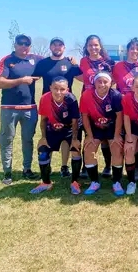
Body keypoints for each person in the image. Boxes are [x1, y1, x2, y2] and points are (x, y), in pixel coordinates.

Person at [33, 37, 83, 177]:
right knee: (49, 137)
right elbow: (32, 78)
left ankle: (64, 167)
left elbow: (85, 79)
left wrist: (77, 64)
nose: (57, 47)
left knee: (68, 138)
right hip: (49, 106)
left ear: (64, 47)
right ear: (50, 47)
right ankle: (46, 168)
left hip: (68, 107)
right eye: (54, 45)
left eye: (60, 45)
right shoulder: (43, 63)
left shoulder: (70, 63)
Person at [0, 34, 42, 184]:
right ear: (15, 44)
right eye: (21, 43)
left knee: (28, 140)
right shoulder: (7, 60)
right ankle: (7, 172)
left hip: (30, 108)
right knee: (7, 139)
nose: (24, 46)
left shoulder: (35, 59)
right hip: (9, 108)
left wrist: (70, 60)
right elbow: (0, 83)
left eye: (27, 44)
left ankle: (27, 169)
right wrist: (21, 81)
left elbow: (53, 62)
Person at [30, 77, 81, 194]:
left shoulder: (71, 99)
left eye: (62, 89)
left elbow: (75, 122)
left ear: (67, 89)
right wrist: (43, 137)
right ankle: (46, 183)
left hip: (68, 129)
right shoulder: (44, 98)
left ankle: (75, 182)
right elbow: (43, 120)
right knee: (42, 151)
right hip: (52, 129)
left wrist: (74, 139)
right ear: (50, 88)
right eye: (56, 89)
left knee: (75, 150)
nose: (58, 92)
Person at [113, 37, 138, 181]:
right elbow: (112, 82)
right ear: (127, 50)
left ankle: (136, 169)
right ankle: (118, 168)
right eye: (132, 48)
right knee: (122, 138)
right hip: (121, 107)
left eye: (137, 49)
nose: (134, 51)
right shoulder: (118, 66)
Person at [79, 72, 124, 195]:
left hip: (112, 127)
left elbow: (119, 116)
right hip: (95, 127)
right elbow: (85, 116)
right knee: (88, 150)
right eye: (99, 81)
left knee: (117, 149)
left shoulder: (116, 95)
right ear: (94, 82)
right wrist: (89, 135)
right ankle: (94, 182)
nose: (102, 84)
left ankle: (116, 182)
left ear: (111, 83)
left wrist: (116, 135)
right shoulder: (87, 95)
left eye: (105, 82)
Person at [79, 35, 115, 178]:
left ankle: (108, 166)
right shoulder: (83, 61)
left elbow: (113, 80)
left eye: (96, 45)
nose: (93, 48)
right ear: (86, 47)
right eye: (90, 45)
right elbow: (80, 76)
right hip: (87, 101)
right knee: (89, 134)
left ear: (100, 46)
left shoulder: (109, 62)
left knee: (105, 134)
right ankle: (85, 166)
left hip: (105, 102)